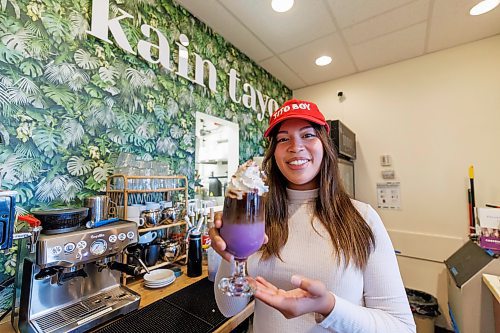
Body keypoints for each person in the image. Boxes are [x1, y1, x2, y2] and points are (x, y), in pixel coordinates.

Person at [209, 99, 416, 332]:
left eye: (307, 135)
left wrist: (329, 307)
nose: (295, 146)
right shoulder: (257, 216)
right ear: (274, 153)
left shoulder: (363, 218)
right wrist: (230, 255)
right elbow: (228, 309)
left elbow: (401, 327)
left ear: (324, 146)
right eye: (283, 138)